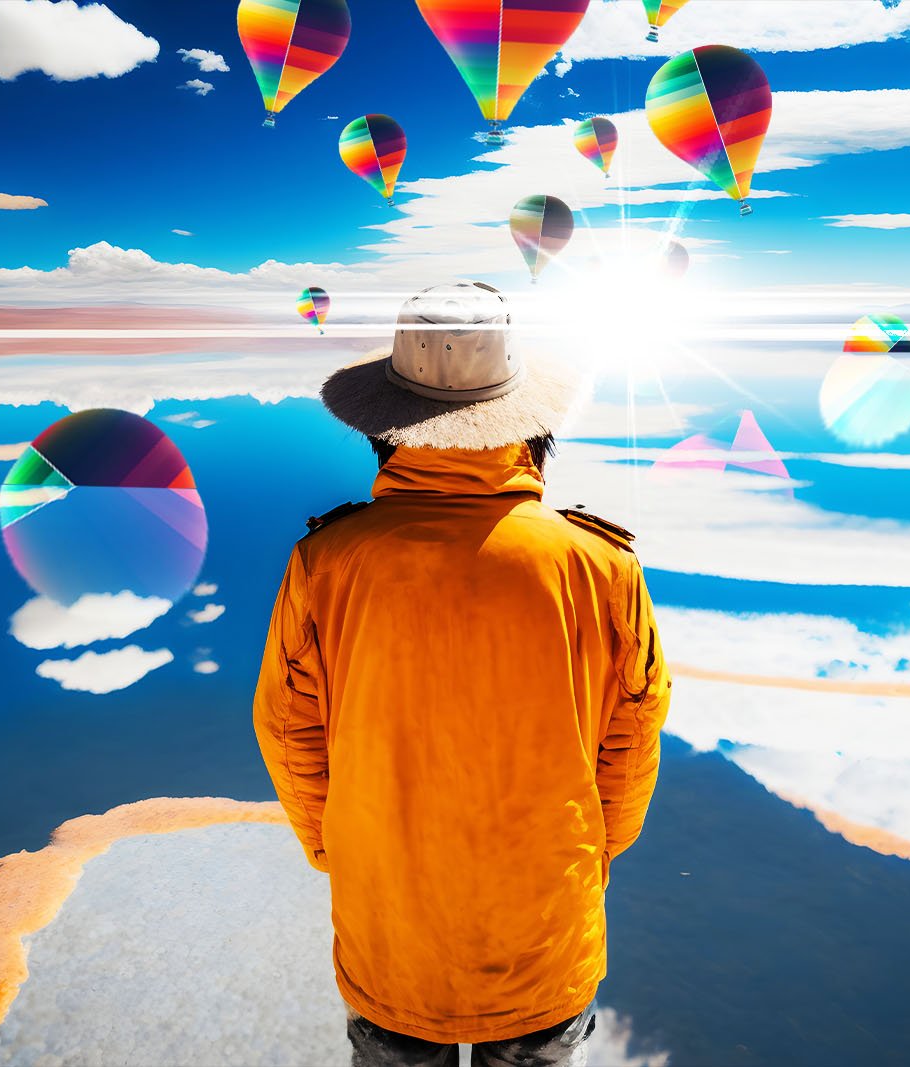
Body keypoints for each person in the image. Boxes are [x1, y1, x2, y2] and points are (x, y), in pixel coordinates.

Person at [253, 281, 672, 1067]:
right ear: (531, 423)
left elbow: (287, 726)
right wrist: (592, 852)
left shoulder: (327, 560)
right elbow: (634, 728)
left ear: (385, 427)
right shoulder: (599, 564)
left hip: (389, 934)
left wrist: (337, 845)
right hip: (545, 933)